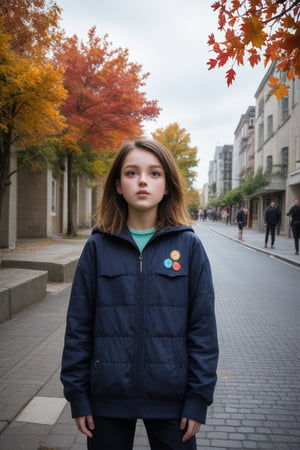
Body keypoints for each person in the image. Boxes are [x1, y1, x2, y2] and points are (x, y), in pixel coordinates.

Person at [61, 138, 219, 450]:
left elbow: (202, 329)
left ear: (168, 186)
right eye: (131, 173)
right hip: (106, 401)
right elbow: (78, 324)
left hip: (173, 402)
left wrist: (197, 399)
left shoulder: (189, 247)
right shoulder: (97, 246)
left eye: (154, 173)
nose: (143, 180)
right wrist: (78, 395)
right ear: (118, 185)